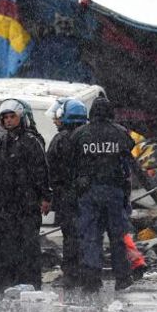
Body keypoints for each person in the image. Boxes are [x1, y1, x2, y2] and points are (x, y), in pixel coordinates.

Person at [70, 96, 135, 292]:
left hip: (89, 192)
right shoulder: (120, 132)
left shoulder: (80, 134)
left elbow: (71, 161)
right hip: (114, 191)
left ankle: (91, 278)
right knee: (118, 235)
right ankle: (122, 277)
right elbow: (128, 156)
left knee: (90, 235)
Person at [0, 99, 52, 289]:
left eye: (13, 117)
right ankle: (11, 281)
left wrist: (44, 197)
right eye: (6, 118)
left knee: (28, 243)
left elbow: (41, 170)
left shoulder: (31, 141)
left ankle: (32, 282)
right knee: (8, 243)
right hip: (6, 201)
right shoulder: (1, 141)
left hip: (27, 200)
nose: (9, 121)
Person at [46, 98, 89, 288]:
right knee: (87, 235)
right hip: (87, 194)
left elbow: (50, 168)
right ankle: (87, 272)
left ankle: (71, 274)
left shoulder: (61, 139)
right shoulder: (88, 136)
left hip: (66, 195)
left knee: (70, 235)